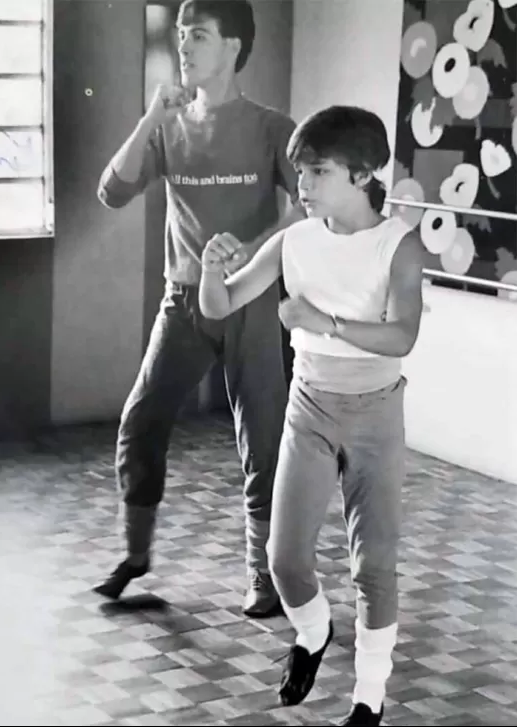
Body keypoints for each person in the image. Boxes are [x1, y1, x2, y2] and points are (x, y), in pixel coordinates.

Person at [198, 106, 425, 726]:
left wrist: (322, 323)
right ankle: (313, 631)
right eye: (299, 170)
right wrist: (209, 271)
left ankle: (367, 699)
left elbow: (403, 335)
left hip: (378, 413)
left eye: (317, 170)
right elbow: (222, 304)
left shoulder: (399, 245)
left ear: (361, 174)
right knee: (284, 560)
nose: (301, 183)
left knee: (373, 564)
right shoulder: (293, 240)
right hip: (310, 407)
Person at [94, 0, 304, 617]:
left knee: (260, 444)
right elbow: (111, 192)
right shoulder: (169, 124)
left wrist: (255, 248)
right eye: (182, 36)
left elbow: (307, 209)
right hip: (183, 301)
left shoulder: (271, 126)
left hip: (252, 302)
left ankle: (263, 579)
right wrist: (147, 119)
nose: (185, 47)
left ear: (233, 46)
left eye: (200, 36)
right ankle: (135, 557)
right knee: (140, 422)